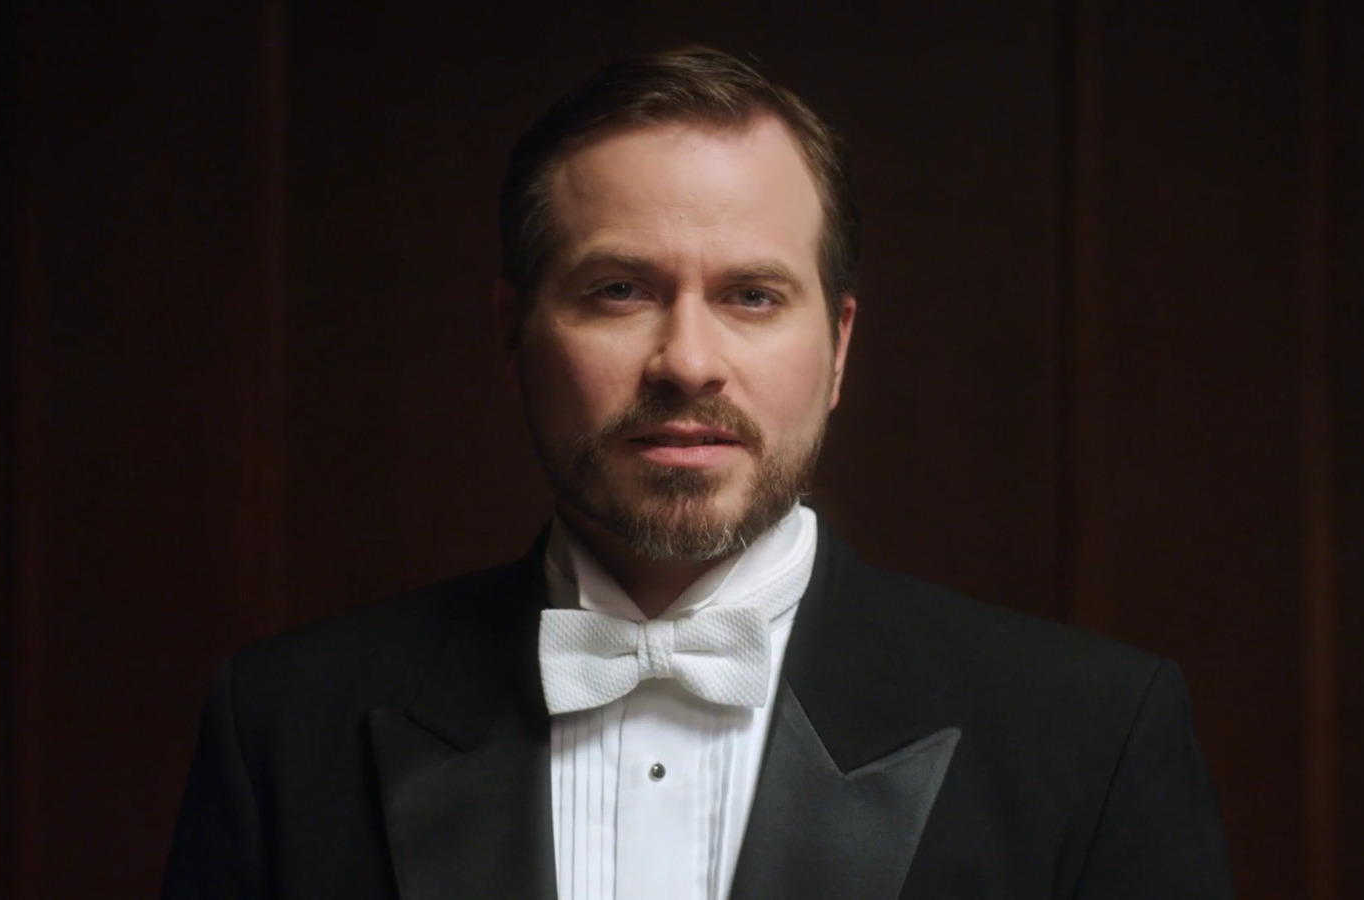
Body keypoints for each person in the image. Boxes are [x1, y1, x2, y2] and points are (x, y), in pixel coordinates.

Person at [163, 47, 1233, 899]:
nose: (686, 361)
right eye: (620, 289)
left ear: (840, 348)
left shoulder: (1092, 739)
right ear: (511, 336)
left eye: (752, 297)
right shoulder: (284, 730)